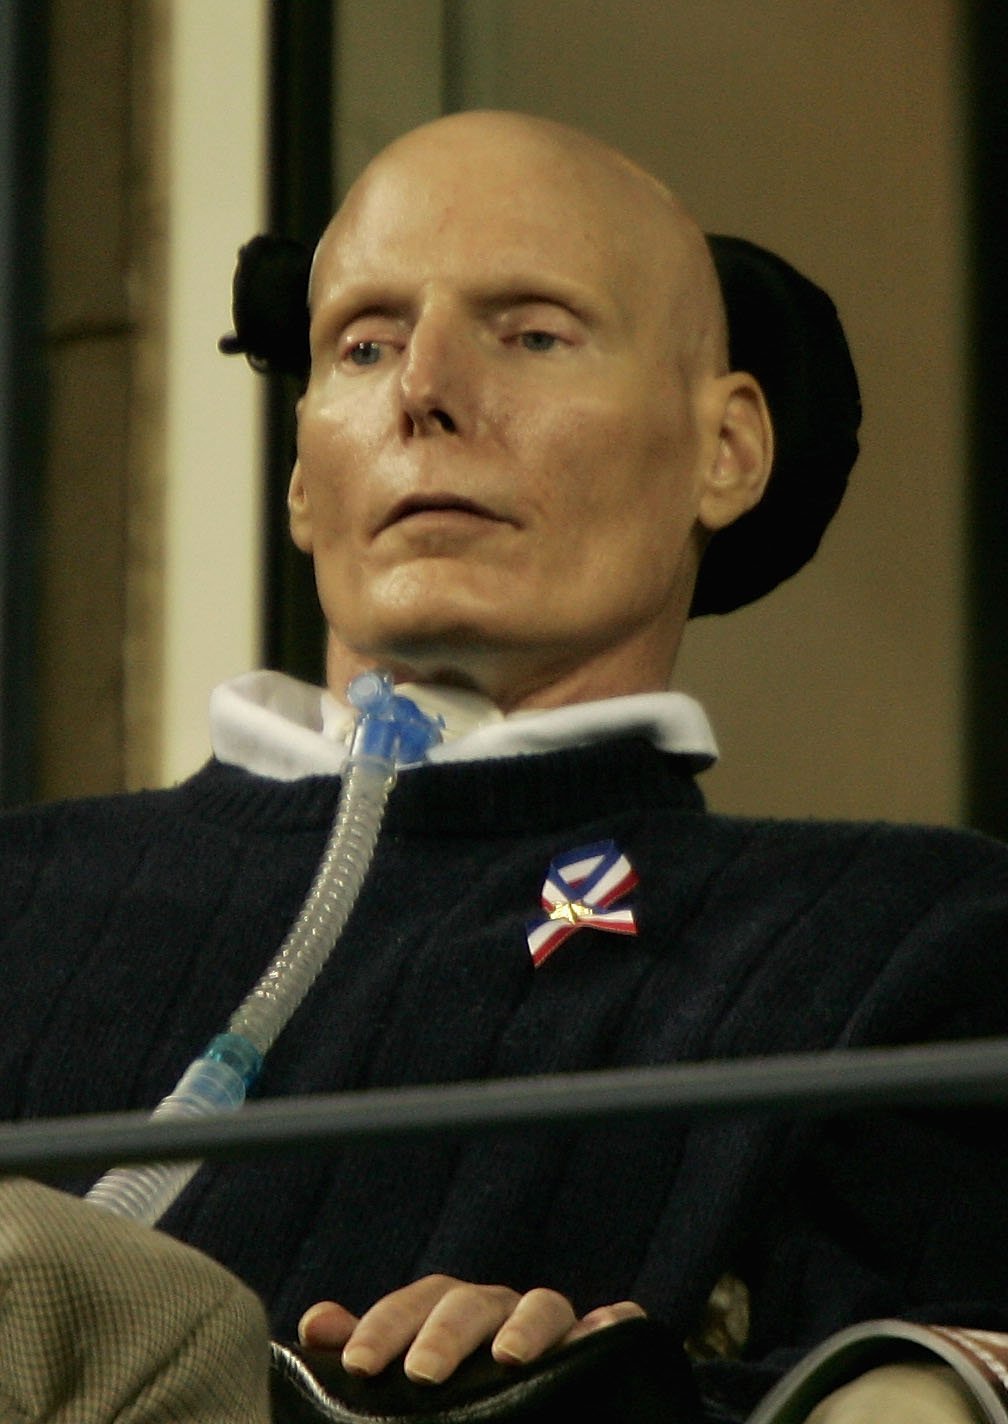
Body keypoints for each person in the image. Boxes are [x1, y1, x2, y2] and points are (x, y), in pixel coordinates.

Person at [2, 110, 1007, 1424]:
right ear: (303, 474)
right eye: (362, 345)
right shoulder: (23, 891)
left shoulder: (903, 953)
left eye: (530, 333)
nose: (424, 388)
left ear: (726, 447)